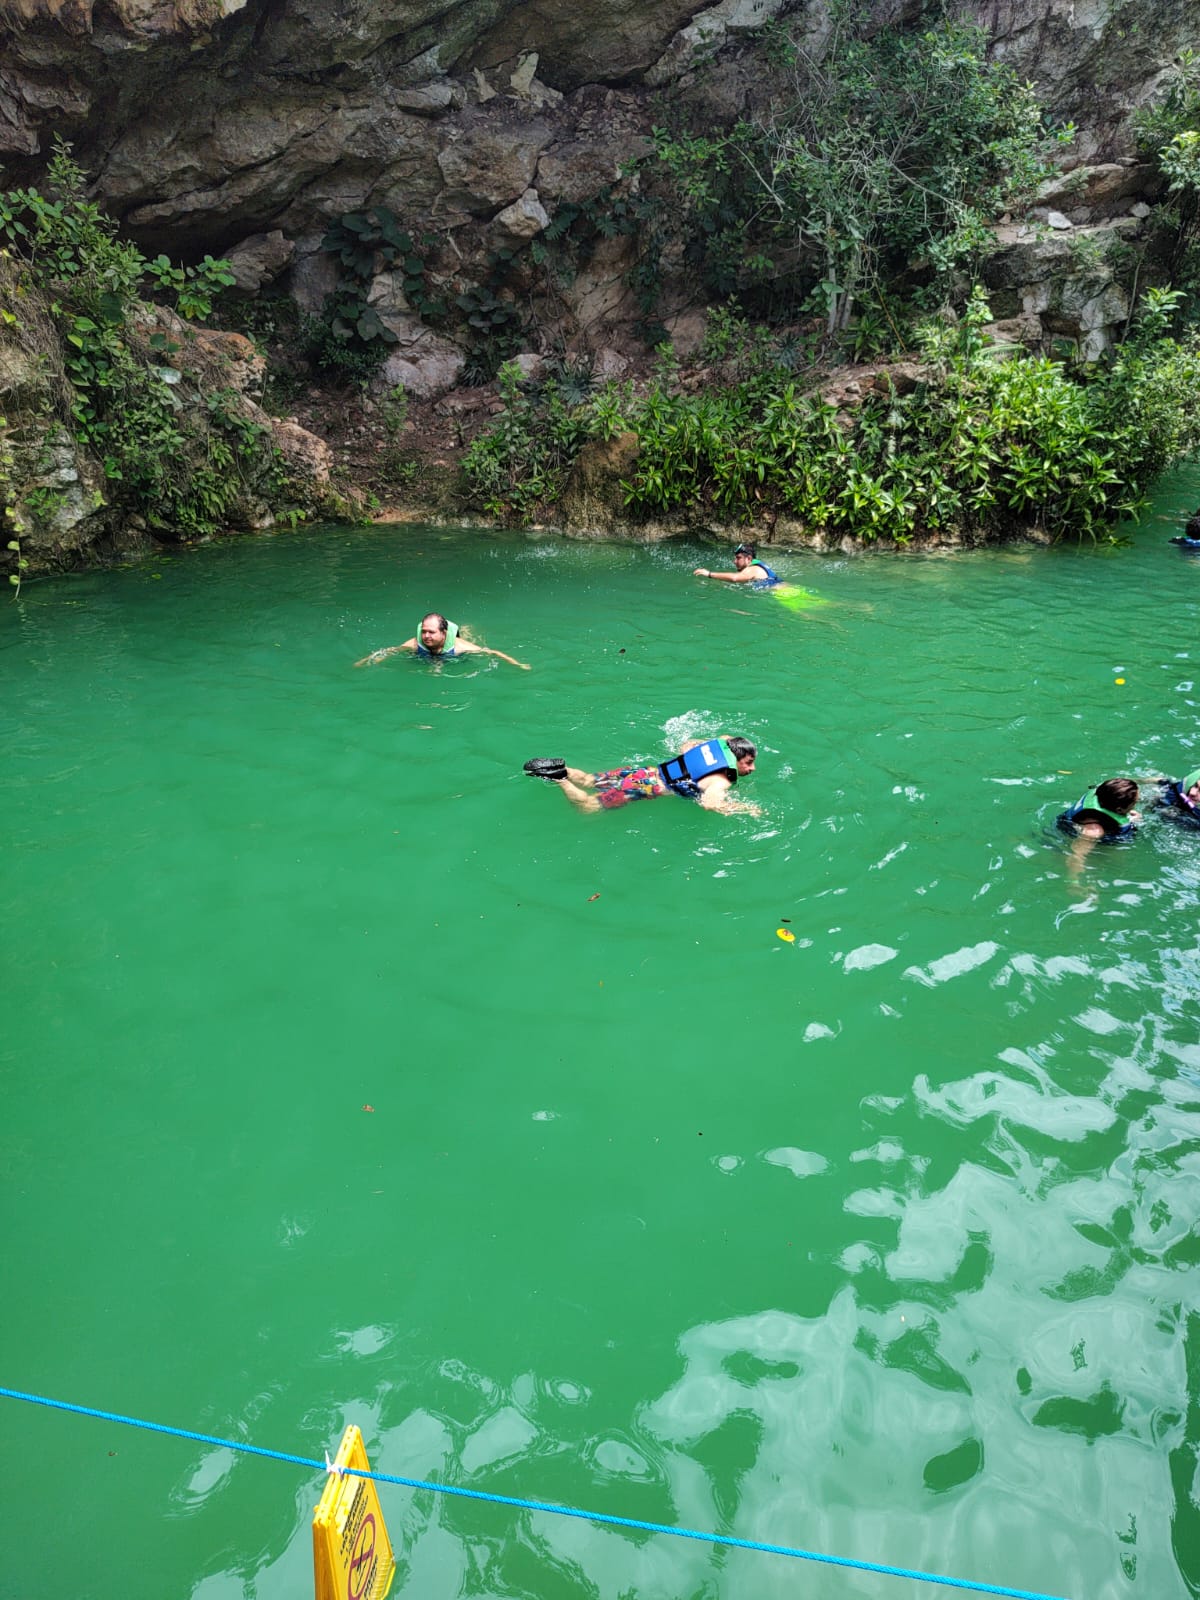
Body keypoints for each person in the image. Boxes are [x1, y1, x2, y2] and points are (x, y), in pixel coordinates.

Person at [524, 736, 760, 816]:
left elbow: (686, 745)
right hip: (646, 787)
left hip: (646, 772)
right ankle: (559, 778)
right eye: (748, 763)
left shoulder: (709, 747)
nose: (752, 768)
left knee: (588, 780)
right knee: (588, 806)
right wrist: (745, 809)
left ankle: (563, 768)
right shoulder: (721, 780)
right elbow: (710, 804)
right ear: (735, 760)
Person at [356, 613, 529, 668]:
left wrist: (518, 665)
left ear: (444, 634)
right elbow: (389, 650)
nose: (426, 636)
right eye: (424, 632)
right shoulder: (416, 643)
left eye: (431, 632)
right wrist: (367, 661)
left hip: (452, 648)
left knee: (468, 636)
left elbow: (493, 653)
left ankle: (467, 629)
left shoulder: (459, 646)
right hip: (434, 656)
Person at [1057, 778, 1140, 841]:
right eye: (1135, 803)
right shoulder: (1094, 831)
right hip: (1068, 833)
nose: (1137, 803)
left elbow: (1122, 786)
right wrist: (1132, 821)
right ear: (1119, 810)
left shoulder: (1105, 792)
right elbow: (1077, 857)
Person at [693, 542, 780, 587]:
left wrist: (709, 574)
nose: (735, 561)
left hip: (783, 594)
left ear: (749, 559)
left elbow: (734, 578)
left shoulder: (752, 569)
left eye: (738, 558)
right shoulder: (758, 564)